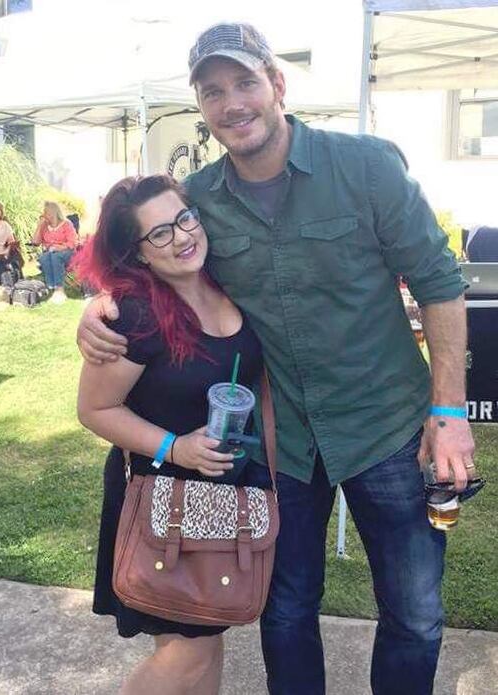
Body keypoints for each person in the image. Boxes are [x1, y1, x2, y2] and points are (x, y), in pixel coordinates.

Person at [77, 22, 476, 695]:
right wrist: (96, 310)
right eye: (212, 92)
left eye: (244, 82)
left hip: (387, 428)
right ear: (201, 110)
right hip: (279, 442)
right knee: (285, 608)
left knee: (414, 613)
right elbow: (144, 258)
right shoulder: (198, 201)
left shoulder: (369, 167)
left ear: (277, 84)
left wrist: (448, 410)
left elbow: (440, 283)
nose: (232, 102)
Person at [76, 174, 263, 695]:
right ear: (138, 255)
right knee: (188, 649)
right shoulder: (133, 315)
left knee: (207, 635)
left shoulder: (224, 280)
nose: (182, 237)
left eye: (184, 219)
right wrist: (176, 446)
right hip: (162, 498)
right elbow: (94, 409)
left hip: (221, 494)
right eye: (159, 234)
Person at [32, 201, 77, 303]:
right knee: (44, 257)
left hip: (67, 253)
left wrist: (59, 247)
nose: (44, 215)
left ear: (53, 213)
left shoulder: (66, 224)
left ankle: (59, 290)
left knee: (55, 256)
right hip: (51, 253)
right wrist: (39, 226)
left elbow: (73, 242)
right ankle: (51, 287)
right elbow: (35, 242)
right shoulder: (44, 226)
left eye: (46, 212)